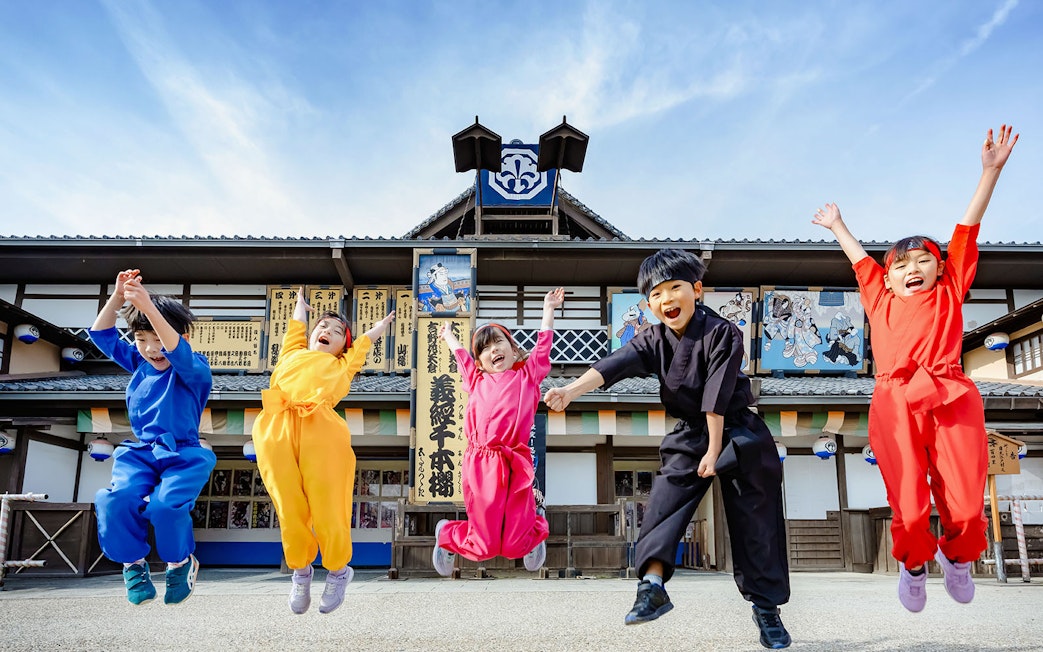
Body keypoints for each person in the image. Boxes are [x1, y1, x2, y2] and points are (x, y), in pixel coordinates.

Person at [812, 124, 1018, 613]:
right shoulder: (879, 296)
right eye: (901, 264)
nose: (912, 269)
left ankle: (960, 558)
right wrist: (839, 225)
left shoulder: (950, 291)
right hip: (896, 399)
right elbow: (860, 259)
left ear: (941, 268)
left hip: (950, 393)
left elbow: (966, 232)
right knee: (907, 496)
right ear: (889, 276)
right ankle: (912, 565)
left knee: (966, 499)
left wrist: (989, 172)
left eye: (923, 260)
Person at [544, 252, 791, 649]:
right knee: (663, 503)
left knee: (756, 522)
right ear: (648, 304)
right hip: (691, 434)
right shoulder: (654, 338)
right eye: (656, 293)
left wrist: (714, 450)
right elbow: (615, 363)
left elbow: (716, 395)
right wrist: (570, 391)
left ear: (696, 290)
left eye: (675, 287)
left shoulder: (722, 332)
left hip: (739, 432)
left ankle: (767, 611)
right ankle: (652, 586)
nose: (667, 298)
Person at [252, 287, 394, 615]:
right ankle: (301, 571)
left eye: (336, 331)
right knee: (288, 504)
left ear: (344, 345)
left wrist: (379, 327)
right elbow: (295, 328)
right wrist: (300, 306)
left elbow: (364, 344)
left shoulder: (343, 365)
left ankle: (338, 570)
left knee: (329, 504)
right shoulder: (291, 353)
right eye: (322, 328)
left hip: (322, 427)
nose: (327, 332)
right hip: (276, 425)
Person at [90, 269, 216, 606]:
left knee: (165, 506)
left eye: (158, 339)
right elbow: (101, 333)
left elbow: (175, 349)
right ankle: (133, 565)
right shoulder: (137, 363)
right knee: (112, 500)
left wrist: (149, 307)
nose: (151, 348)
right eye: (142, 340)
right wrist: (118, 297)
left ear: (182, 337)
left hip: (185, 454)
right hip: (140, 452)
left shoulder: (194, 369)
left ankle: (179, 563)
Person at [431, 288, 564, 576]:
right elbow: (462, 356)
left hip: (515, 460)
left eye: (499, 343)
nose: (494, 350)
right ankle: (447, 534)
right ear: (480, 362)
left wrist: (548, 310)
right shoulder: (476, 379)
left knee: (515, 545)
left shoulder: (527, 376)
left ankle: (535, 527)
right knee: (485, 546)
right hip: (481, 463)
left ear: (514, 350)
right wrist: (450, 336)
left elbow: (543, 348)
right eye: (485, 348)